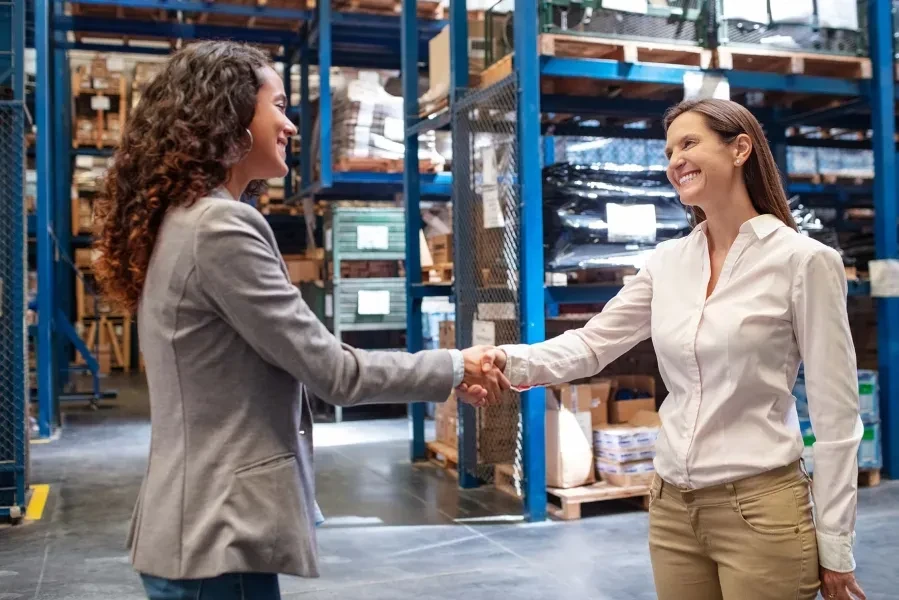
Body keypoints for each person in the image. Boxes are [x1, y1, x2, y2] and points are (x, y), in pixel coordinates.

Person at [91, 40, 508, 600]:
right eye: (279, 106)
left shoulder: (183, 219)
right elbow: (333, 371)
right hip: (219, 536)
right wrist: (456, 365)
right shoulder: (221, 227)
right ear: (230, 116)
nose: (289, 124)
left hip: (194, 530)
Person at [459, 99, 866, 600]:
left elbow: (837, 419)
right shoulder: (668, 262)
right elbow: (591, 344)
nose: (675, 160)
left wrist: (836, 545)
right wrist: (507, 360)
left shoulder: (804, 262)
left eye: (689, 144)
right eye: (669, 150)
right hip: (672, 509)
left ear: (740, 149)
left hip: (762, 510)